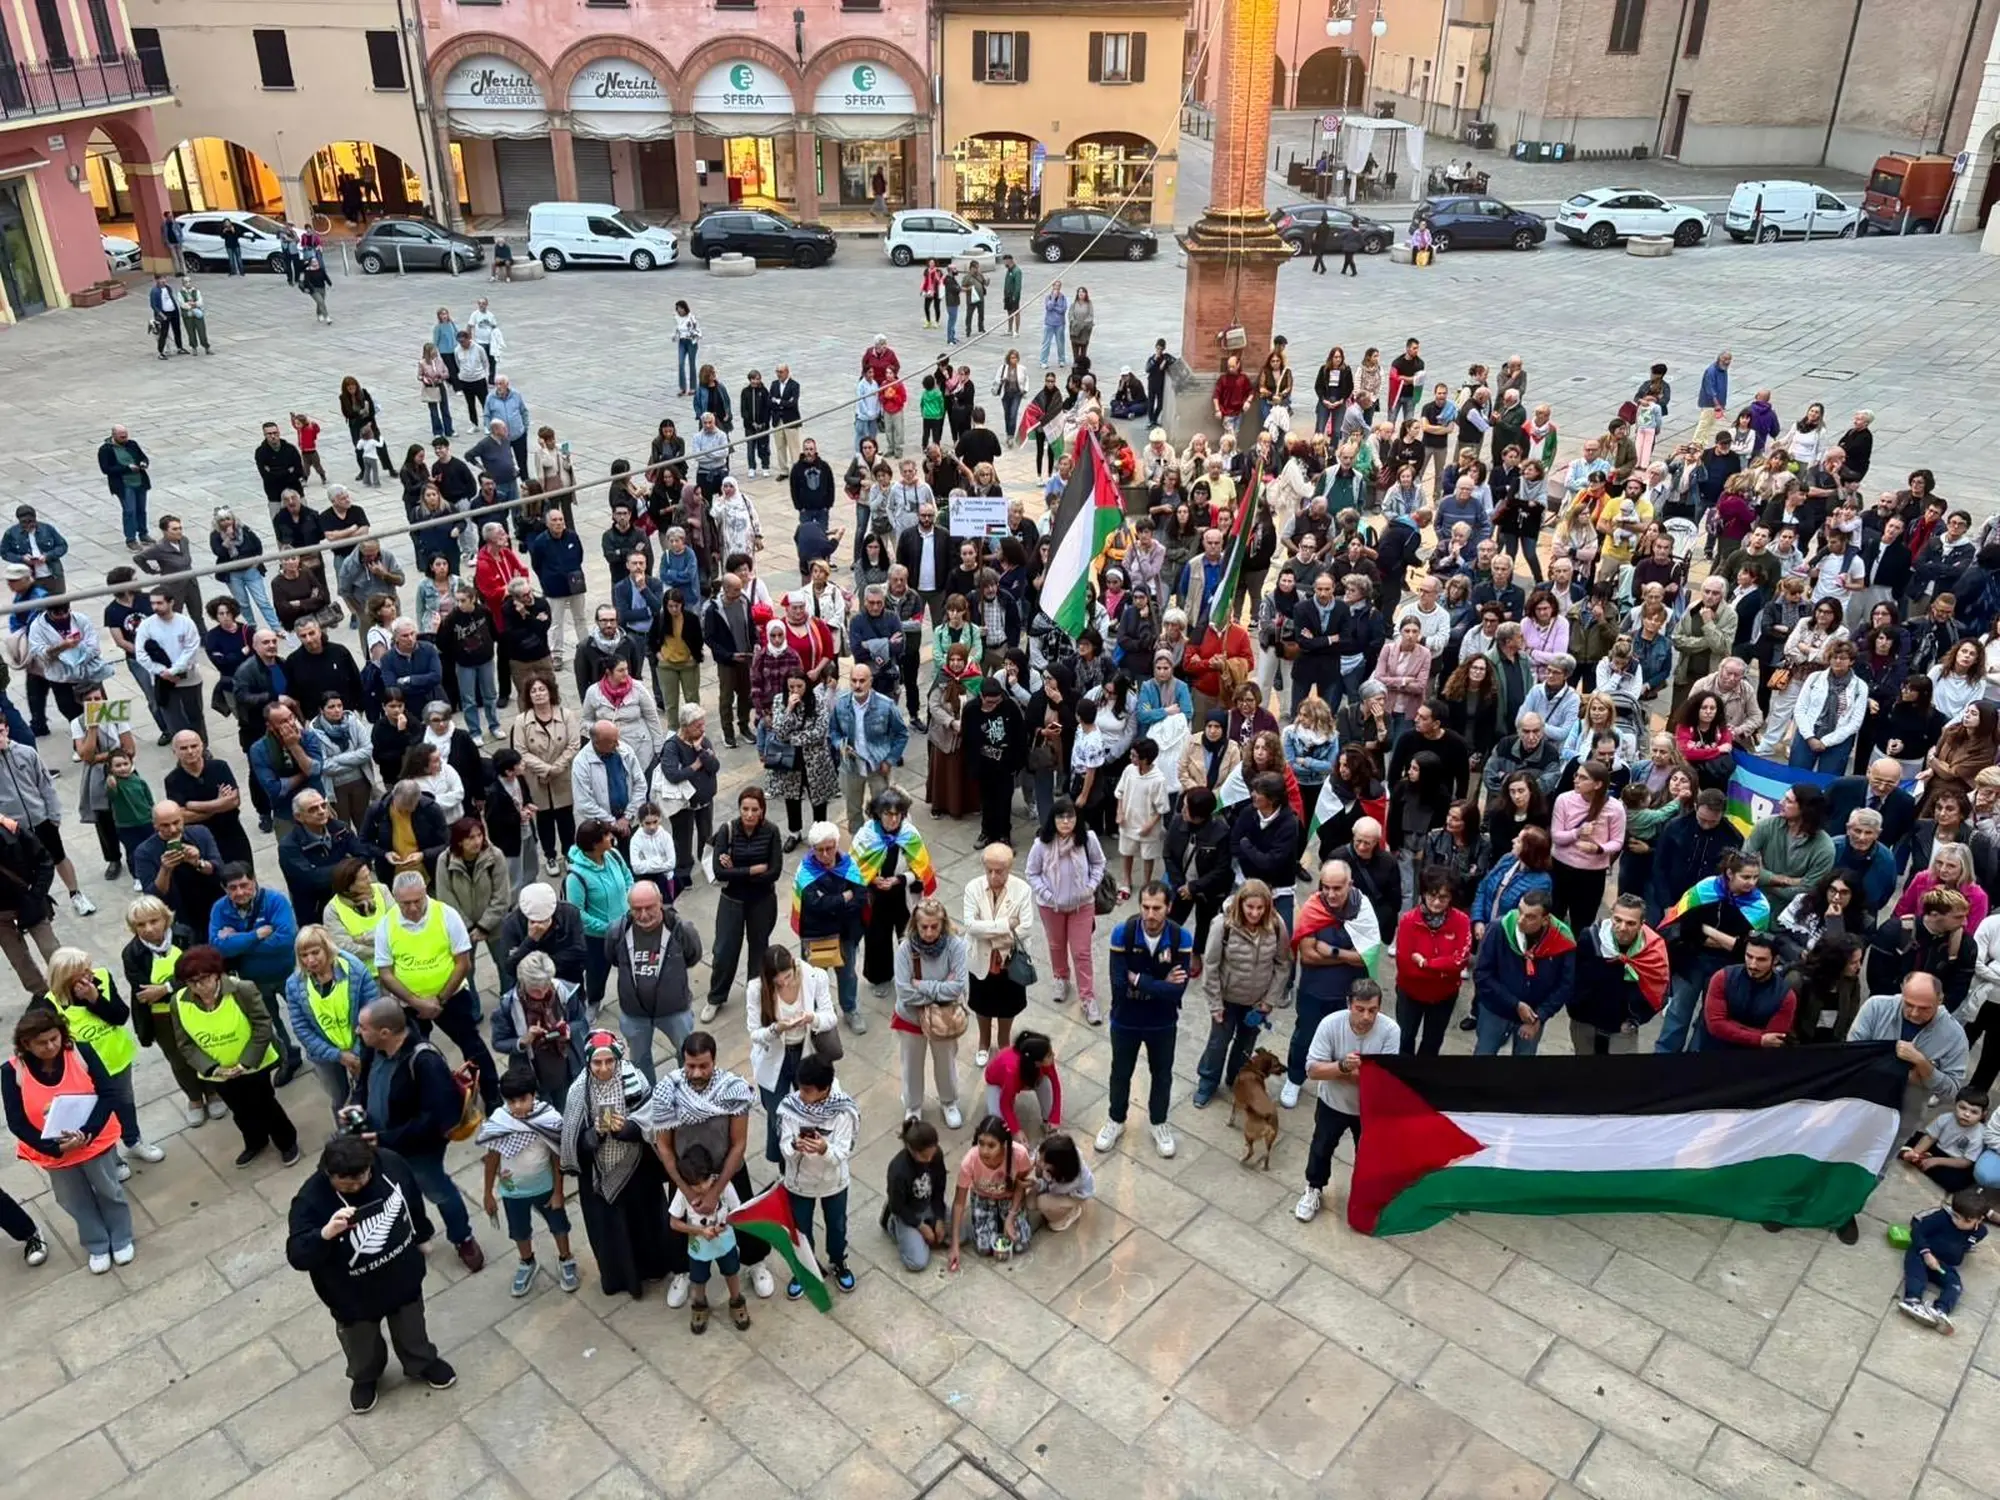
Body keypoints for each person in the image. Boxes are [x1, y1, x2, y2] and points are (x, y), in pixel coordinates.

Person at [287, 1134, 455, 1415]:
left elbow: (411, 1198)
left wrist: (422, 1233)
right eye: (347, 1182)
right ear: (329, 1174)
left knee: (412, 1328)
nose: (358, 1185)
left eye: (363, 1177)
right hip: (351, 1294)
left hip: (401, 1276)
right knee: (361, 1344)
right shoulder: (310, 1200)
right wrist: (324, 1234)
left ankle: (422, 1362)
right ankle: (366, 1378)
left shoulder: (389, 1163)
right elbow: (297, 1255)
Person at [641, 1030, 776, 1307]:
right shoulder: (668, 1092)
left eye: (704, 1065)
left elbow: (738, 1144)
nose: (697, 1072)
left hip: (727, 1169)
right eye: (691, 1065)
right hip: (686, 1175)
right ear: (683, 1062)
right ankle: (683, 1272)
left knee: (744, 1218)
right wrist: (685, 1189)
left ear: (714, 1061)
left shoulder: (733, 1090)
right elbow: (664, 1147)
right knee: (680, 1226)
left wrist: (716, 1191)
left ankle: (755, 1262)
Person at [354, 997, 484, 1270]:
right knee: (398, 1190)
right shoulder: (372, 1049)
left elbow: (433, 1120)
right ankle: (418, 1233)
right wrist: (354, 1113)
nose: (358, 1032)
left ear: (385, 1032)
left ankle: (463, 1238)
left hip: (417, 1149)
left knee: (438, 1190)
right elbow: (362, 1086)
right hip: (380, 1141)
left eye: (363, 1027)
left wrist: (383, 1139)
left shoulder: (425, 1062)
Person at [4, 1007, 135, 1273]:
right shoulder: (11, 1071)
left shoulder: (81, 1051)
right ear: (26, 1044)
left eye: (55, 1038)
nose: (51, 1046)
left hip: (92, 1140)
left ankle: (121, 1237)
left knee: (109, 1189)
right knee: (74, 1199)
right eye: (42, 1043)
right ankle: (96, 1243)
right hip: (54, 1152)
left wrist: (87, 1132)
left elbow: (108, 1094)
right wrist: (53, 1147)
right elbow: (17, 1121)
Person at [558, 1029, 673, 1299]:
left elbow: (652, 1118)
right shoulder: (578, 1092)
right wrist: (594, 1135)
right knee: (612, 1233)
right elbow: (571, 1139)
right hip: (599, 1177)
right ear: (588, 1063)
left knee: (646, 1225)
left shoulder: (634, 1077)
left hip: (638, 1171)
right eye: (597, 1063)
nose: (604, 1068)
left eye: (609, 1061)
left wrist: (629, 1129)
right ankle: (622, 1279)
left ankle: (655, 1268)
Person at [374, 868, 501, 1113]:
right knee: (414, 1056)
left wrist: (439, 999)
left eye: (416, 901)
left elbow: (463, 962)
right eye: (405, 903)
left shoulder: (446, 915)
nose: (411, 908)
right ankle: (431, 1102)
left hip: (451, 997)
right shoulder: (386, 925)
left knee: (473, 1046)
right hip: (408, 1005)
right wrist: (416, 1002)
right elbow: (386, 972)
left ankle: (492, 1094)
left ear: (425, 894)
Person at [171, 942, 301, 1167]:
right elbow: (185, 1044)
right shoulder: (178, 1002)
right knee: (239, 1111)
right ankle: (255, 1142)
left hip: (253, 1065)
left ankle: (287, 1142)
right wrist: (213, 1068)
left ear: (217, 975)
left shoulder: (243, 989)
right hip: (218, 1073)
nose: (200, 986)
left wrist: (245, 1063)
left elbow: (262, 1025)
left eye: (205, 978)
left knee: (265, 1104)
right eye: (192, 982)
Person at [1293, 979, 1400, 1224]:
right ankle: (1313, 1189)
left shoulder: (1391, 1031)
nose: (1366, 1016)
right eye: (1360, 1009)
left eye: (1372, 1010)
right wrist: (1343, 1066)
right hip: (1333, 1103)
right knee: (1321, 1148)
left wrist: (1338, 1072)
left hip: (1369, 1109)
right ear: (1349, 1005)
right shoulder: (1330, 1025)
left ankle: (1366, 1198)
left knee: (1369, 1156)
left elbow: (1383, 1081)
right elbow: (1312, 1070)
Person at [1099, 881, 1193, 1159]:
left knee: (1162, 1074)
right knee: (1120, 1072)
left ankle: (1159, 1123)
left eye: (1157, 908)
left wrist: (1139, 979)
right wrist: (1159, 982)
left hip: (1162, 1021)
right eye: (1146, 907)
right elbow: (1118, 983)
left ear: (1169, 908)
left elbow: (1178, 989)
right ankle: (1115, 1120)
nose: (1150, 915)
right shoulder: (1123, 933)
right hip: (1126, 1019)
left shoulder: (1180, 939)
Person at [476, 1064, 577, 1299]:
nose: (517, 1107)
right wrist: (488, 1193)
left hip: (546, 1188)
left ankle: (566, 1258)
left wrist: (558, 1192)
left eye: (523, 1099)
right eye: (511, 1102)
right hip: (512, 1192)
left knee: (559, 1226)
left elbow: (556, 1155)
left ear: (534, 1095)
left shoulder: (549, 1119)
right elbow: (492, 1157)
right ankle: (527, 1262)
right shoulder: (500, 1122)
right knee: (520, 1231)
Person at [1193, 881, 1291, 1107]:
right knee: (1218, 1043)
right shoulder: (1222, 926)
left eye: (1260, 908)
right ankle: (1207, 1082)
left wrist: (1269, 1001)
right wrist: (1215, 1005)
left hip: (1257, 1002)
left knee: (1246, 1044)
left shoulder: (1276, 926)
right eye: (1250, 907)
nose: (1255, 913)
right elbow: (1211, 966)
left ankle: (1235, 1079)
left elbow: (1282, 964)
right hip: (1227, 999)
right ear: (1241, 903)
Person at [1025, 797, 1105, 1019]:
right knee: (1056, 945)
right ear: (1053, 819)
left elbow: (1099, 863)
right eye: (1061, 816)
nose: (1066, 821)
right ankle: (1060, 978)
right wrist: (1048, 895)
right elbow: (1032, 872)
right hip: (1051, 907)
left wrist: (1090, 887)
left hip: (1082, 905)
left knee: (1081, 952)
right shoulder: (1041, 844)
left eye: (1070, 816)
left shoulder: (1087, 839)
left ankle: (1088, 998)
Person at [892, 895, 967, 1127]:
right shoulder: (905, 949)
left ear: (943, 923)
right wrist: (941, 987)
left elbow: (958, 987)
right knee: (911, 1064)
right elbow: (905, 992)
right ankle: (913, 1107)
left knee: (946, 1062)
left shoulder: (955, 946)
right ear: (916, 924)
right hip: (911, 1018)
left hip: (944, 1018)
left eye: (934, 926)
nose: (929, 932)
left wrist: (922, 986)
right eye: (924, 926)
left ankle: (949, 1102)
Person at [1472, 888, 1576, 1057]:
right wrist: (1515, 1004)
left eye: (1530, 917)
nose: (1521, 920)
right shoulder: (1500, 928)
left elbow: (1565, 985)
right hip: (1495, 1011)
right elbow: (1482, 974)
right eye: (1520, 911)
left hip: (1533, 1016)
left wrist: (1540, 1016)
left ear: (1545, 920)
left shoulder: (1562, 940)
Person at [286, 922, 377, 1111]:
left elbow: (372, 1011)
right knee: (340, 1100)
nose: (310, 960)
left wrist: (357, 1054)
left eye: (315, 952)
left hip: (360, 1048)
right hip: (324, 1055)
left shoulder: (355, 970)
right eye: (304, 955)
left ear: (327, 948)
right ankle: (347, 1138)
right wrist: (338, 1055)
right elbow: (301, 1028)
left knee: (370, 1094)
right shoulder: (294, 984)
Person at [961, 841, 1034, 1066]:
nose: (993, 876)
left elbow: (1025, 927)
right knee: (981, 1003)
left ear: (1009, 868)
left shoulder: (1022, 890)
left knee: (1008, 1005)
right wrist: (1005, 926)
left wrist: (989, 929)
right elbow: (971, 926)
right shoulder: (973, 888)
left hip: (1009, 961)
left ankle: (1004, 1041)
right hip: (981, 959)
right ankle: (983, 1042)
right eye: (989, 870)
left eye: (999, 871)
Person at [1393, 868, 1474, 1055]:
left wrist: (1425, 963)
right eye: (1432, 895)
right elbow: (1406, 968)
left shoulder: (1461, 921)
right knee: (1404, 1038)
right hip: (1410, 994)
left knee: (1432, 1042)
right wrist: (1444, 968)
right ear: (1423, 893)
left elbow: (1460, 961)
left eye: (1444, 897)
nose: (1437, 902)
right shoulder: (1408, 921)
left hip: (1444, 996)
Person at [948, 1114, 1035, 1270]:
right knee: (983, 1248)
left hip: (1010, 1198)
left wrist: (1011, 1216)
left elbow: (1021, 1185)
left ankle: (1005, 1220)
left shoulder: (1019, 1154)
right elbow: (959, 1203)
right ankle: (994, 1221)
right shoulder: (970, 1161)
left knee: (1021, 1244)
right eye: (981, 1143)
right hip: (983, 1198)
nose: (984, 1151)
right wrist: (955, 1246)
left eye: (991, 1145)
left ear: (1003, 1144)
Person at [1897, 1188, 1987, 1335]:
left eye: (1966, 1221)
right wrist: (1926, 1253)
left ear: (1979, 1219)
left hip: (1943, 1263)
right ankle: (1912, 1300)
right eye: (1956, 1216)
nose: (1959, 1222)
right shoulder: (1941, 1218)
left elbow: (1967, 1242)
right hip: (1922, 1254)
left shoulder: (1980, 1232)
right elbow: (1917, 1230)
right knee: (1917, 1275)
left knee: (1955, 1284)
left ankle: (1940, 1310)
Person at [882, 1117, 948, 1270]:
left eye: (932, 1154)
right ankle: (893, 1226)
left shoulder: (936, 1155)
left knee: (961, 1234)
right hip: (907, 1211)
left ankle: (926, 1229)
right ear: (912, 1150)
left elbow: (939, 1189)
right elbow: (898, 1206)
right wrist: (920, 1226)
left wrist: (939, 1218)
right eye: (924, 1157)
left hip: (929, 1204)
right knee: (918, 1262)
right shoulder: (898, 1170)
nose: (929, 1159)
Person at [1899, 1087, 1988, 1192]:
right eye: (1962, 1108)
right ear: (1955, 1105)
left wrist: (1936, 1161)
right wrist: (1916, 1153)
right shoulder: (1945, 1118)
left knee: (1956, 1183)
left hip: (1955, 1161)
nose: (1967, 1114)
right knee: (1911, 1136)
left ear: (1983, 1114)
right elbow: (1930, 1138)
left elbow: (1966, 1162)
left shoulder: (1980, 1134)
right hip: (1936, 1147)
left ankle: (1920, 1160)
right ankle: (1915, 1158)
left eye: (1974, 1112)